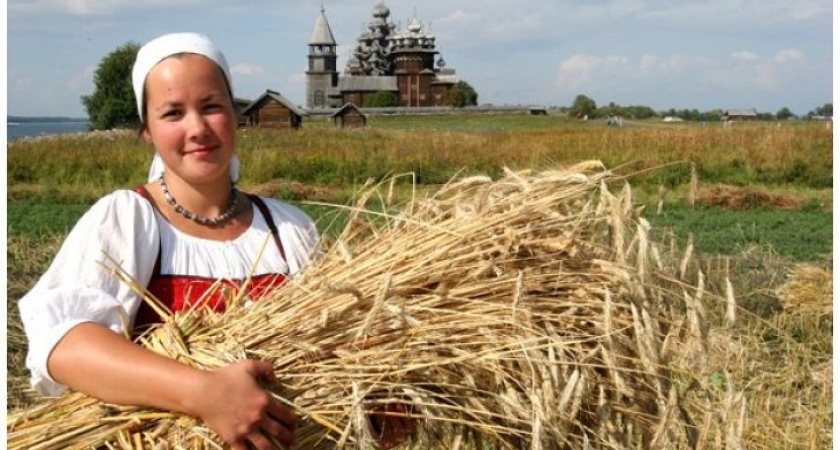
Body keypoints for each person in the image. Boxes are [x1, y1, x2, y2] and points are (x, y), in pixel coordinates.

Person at [18, 33, 320, 450]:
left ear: (235, 115)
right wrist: (203, 394)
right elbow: (63, 345)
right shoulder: (128, 217)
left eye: (212, 106)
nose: (197, 128)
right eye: (173, 113)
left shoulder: (288, 228)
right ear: (147, 131)